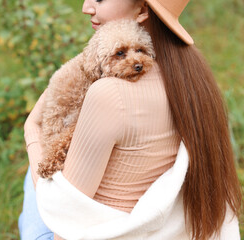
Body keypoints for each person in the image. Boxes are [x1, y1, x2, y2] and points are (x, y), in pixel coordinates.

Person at [19, 0, 242, 239]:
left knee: (33, 175)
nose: (86, 7)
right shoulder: (194, 78)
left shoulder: (109, 93)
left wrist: (31, 128)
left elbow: (66, 218)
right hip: (158, 230)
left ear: (144, 9)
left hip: (105, 232)